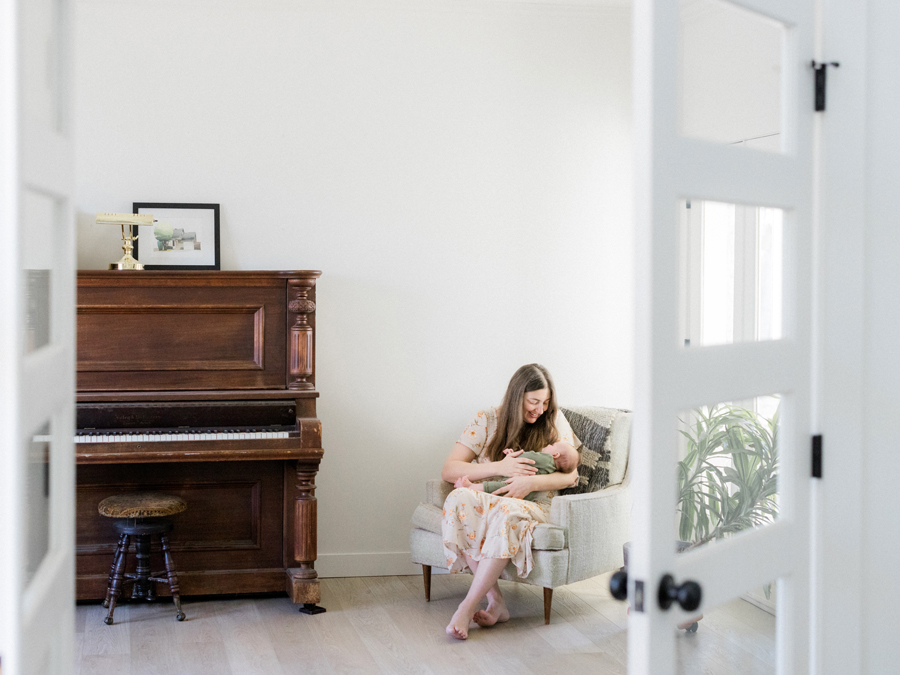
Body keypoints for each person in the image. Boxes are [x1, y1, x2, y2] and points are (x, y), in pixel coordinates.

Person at [440, 363, 579, 640]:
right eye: (534, 401)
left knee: (506, 512)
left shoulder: (553, 420)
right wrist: (500, 468)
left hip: (535, 504)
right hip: (493, 497)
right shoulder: (486, 420)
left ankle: (466, 607)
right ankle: (497, 602)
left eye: (546, 402)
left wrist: (532, 482)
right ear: (517, 396)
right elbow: (449, 470)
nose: (540, 409)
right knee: (458, 499)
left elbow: (571, 474)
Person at [453, 443, 580, 502]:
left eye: (553, 445)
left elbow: (530, 457)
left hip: (519, 485)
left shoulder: (547, 458)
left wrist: (515, 455)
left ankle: (472, 487)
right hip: (527, 495)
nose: (549, 444)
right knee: (501, 488)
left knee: (500, 487)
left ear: (555, 454)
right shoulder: (550, 468)